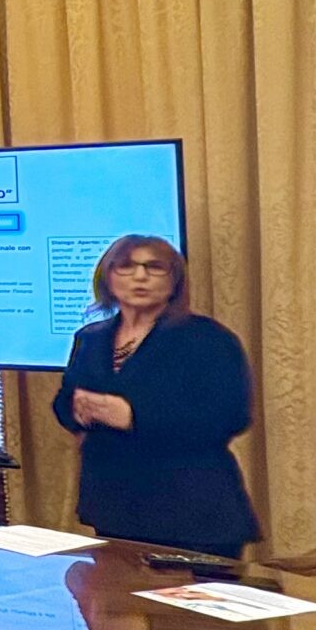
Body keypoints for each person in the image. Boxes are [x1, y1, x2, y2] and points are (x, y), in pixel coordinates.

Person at [50, 234, 259, 558]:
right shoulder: (91, 337)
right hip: (113, 507)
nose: (140, 276)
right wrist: (76, 409)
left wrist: (133, 417)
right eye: (126, 266)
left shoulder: (207, 339)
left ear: (174, 281)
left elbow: (230, 417)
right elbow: (66, 400)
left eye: (154, 267)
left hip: (192, 513)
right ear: (107, 277)